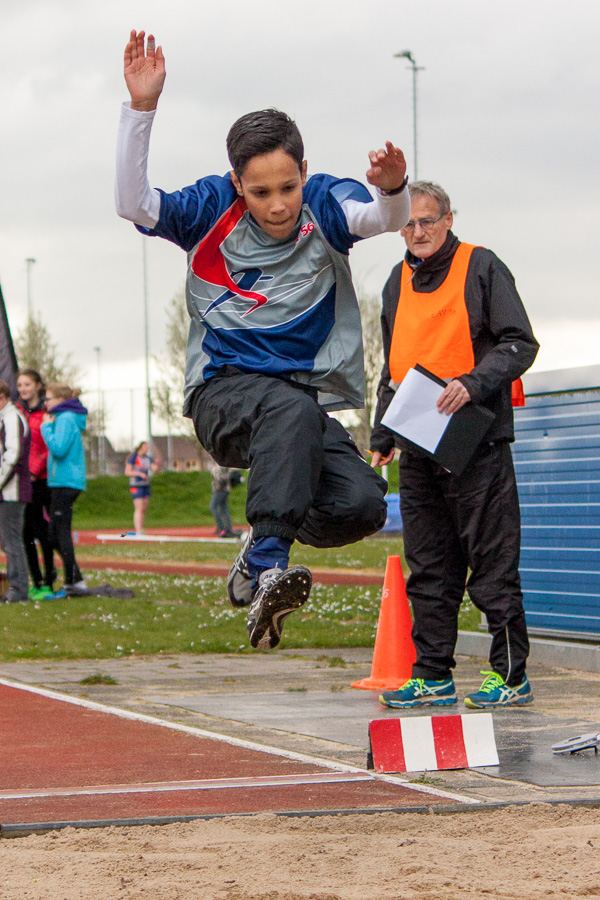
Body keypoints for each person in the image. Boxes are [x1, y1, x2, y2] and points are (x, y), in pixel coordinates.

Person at [115, 30, 410, 651]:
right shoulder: (208, 208)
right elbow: (133, 204)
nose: (277, 206)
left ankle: (261, 543)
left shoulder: (325, 202)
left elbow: (380, 219)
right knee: (287, 406)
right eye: (260, 193)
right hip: (223, 397)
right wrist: (140, 111)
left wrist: (392, 189)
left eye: (287, 187)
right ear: (237, 183)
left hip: (295, 410)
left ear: (304, 171)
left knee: (361, 503)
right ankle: (263, 564)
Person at [370, 181, 539, 710]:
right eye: (409, 224)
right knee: (429, 565)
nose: (418, 232)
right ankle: (432, 674)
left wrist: (472, 381)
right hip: (418, 442)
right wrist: (382, 432)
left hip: (475, 437)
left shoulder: (482, 266)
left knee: (492, 563)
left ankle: (510, 677)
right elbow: (393, 366)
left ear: (447, 219)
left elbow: (519, 343)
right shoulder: (395, 282)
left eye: (427, 221)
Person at [40, 384, 88, 597]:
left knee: (60, 532)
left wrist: (45, 428)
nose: (45, 403)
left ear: (59, 399)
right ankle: (75, 578)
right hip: (60, 481)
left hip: (66, 482)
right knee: (53, 533)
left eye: (48, 398)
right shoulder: (64, 417)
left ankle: (72, 583)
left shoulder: (65, 418)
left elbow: (59, 448)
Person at [16, 369, 56, 598]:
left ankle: (49, 580)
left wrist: (34, 471)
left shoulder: (45, 413)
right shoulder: (18, 411)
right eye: (20, 385)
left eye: (27, 384)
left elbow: (47, 446)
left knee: (42, 531)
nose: (23, 389)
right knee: (25, 532)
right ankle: (36, 580)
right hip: (22, 480)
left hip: (40, 481)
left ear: (39, 385)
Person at [0, 381, 32, 604]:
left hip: (12, 490)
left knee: (12, 540)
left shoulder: (12, 418)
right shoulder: (5, 418)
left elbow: (13, 456)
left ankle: (19, 589)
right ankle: (16, 586)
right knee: (8, 541)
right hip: (6, 489)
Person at [125, 440, 159, 535]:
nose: (147, 449)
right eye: (146, 447)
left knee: (144, 508)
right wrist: (139, 474)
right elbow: (127, 472)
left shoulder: (148, 459)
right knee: (139, 508)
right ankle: (138, 530)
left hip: (146, 485)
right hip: (136, 486)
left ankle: (141, 529)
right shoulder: (133, 458)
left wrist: (157, 466)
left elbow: (155, 470)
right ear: (141, 448)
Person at [210, 464, 243, 538]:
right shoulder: (224, 464)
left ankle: (221, 526)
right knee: (224, 509)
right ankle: (228, 527)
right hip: (224, 489)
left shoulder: (221, 465)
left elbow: (222, 477)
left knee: (213, 507)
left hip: (220, 489)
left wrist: (216, 476)